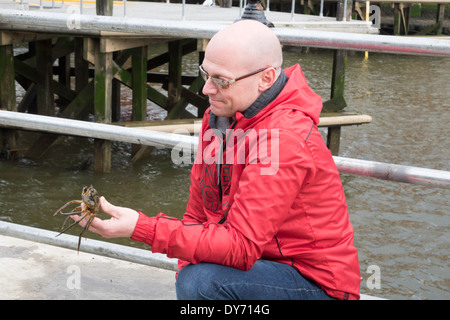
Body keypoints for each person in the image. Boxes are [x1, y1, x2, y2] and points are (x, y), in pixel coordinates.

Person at [75, 20, 361, 300]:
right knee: (194, 280)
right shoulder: (220, 118)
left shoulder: (282, 140)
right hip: (262, 265)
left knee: (201, 283)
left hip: (315, 283)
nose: (206, 89)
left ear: (266, 79)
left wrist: (142, 228)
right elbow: (198, 214)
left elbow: (241, 247)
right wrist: (188, 263)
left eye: (221, 80)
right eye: (206, 74)